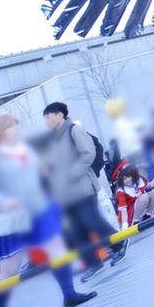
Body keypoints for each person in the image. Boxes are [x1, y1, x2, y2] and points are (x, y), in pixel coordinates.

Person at [0, 113, 96, 307]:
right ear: (1, 132)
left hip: (37, 211)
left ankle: (70, 294)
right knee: (9, 270)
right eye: (13, 125)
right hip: (12, 218)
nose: (17, 127)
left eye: (17, 124)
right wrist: (5, 202)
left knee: (57, 250)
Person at [39, 102, 126, 277]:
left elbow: (88, 154)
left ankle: (119, 244)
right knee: (77, 230)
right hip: (64, 194)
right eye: (45, 118)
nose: (47, 121)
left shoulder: (74, 130)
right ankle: (94, 263)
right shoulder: (51, 139)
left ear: (60, 115)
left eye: (49, 116)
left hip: (83, 187)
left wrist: (71, 174)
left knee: (92, 222)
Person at [112, 163, 154, 227]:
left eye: (129, 176)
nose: (127, 180)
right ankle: (136, 221)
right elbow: (123, 210)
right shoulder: (121, 191)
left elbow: (148, 186)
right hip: (130, 215)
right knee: (144, 197)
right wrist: (124, 226)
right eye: (124, 179)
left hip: (142, 208)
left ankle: (148, 215)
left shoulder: (139, 180)